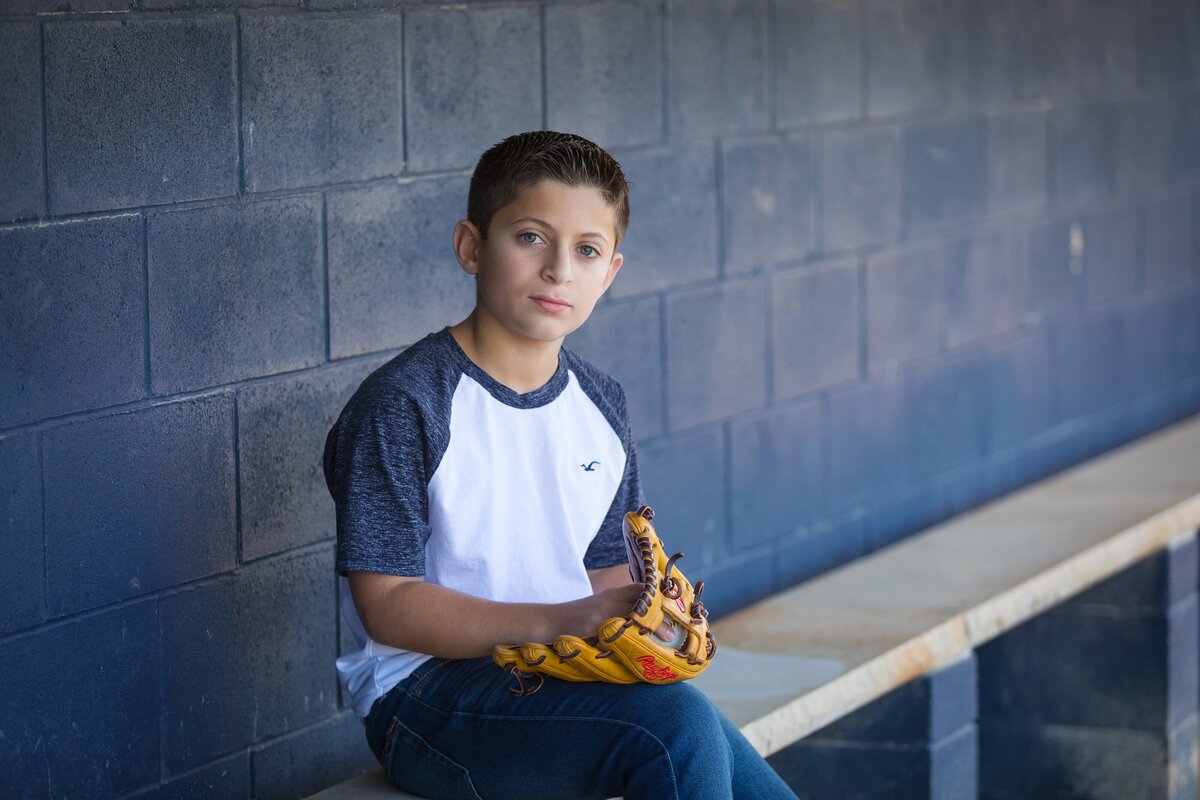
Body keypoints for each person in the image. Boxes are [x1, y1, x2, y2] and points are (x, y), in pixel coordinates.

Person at [323, 131, 798, 800]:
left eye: (586, 250)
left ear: (609, 274)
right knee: (676, 732)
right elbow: (390, 608)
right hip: (427, 698)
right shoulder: (405, 403)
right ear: (471, 246)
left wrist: (641, 609)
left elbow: (604, 567)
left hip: (561, 672)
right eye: (530, 238)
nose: (558, 270)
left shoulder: (599, 402)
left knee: (719, 752)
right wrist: (561, 618)